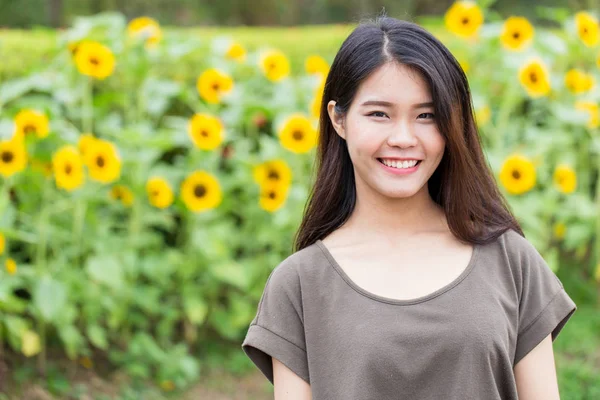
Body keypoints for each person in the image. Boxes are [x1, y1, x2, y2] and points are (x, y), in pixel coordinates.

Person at [241, 14, 577, 400]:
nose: (403, 138)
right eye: (379, 114)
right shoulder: (298, 284)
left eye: (427, 116)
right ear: (338, 119)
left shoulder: (510, 260)